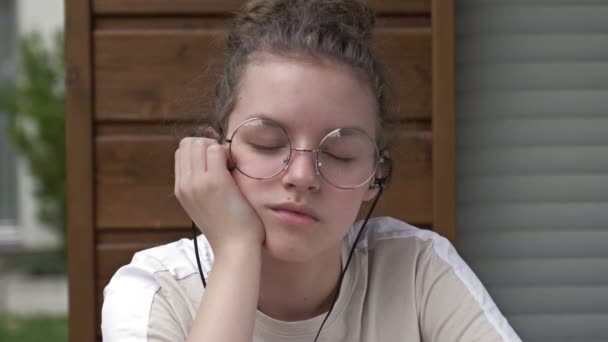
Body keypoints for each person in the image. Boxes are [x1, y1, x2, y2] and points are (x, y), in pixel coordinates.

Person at [101, 0, 521, 341]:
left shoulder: (418, 269)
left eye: (339, 153)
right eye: (267, 142)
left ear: (375, 176)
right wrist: (236, 250)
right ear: (214, 155)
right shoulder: (155, 293)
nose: (302, 175)